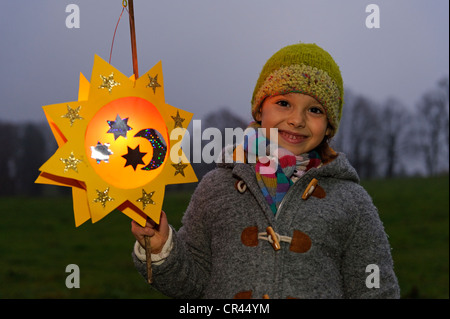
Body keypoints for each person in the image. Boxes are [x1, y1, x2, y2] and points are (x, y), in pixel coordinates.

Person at [131, 43, 400, 299]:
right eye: (284, 103)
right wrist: (160, 247)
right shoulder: (216, 187)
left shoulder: (352, 202)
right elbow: (191, 282)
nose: (296, 119)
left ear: (329, 126)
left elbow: (376, 290)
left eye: (315, 110)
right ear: (260, 108)